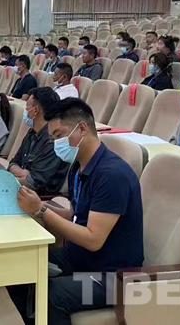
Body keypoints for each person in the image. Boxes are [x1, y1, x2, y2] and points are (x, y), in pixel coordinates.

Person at [8, 97, 144, 325]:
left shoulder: (112, 175)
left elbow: (93, 239)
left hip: (114, 278)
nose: (56, 144)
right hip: (80, 259)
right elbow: (76, 216)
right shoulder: (79, 167)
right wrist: (34, 207)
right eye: (53, 138)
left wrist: (40, 210)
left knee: (53, 294)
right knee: (17, 265)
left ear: (82, 128)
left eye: (59, 135)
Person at [8, 87, 70, 194]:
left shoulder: (53, 140)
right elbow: (13, 163)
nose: (25, 111)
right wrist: (24, 173)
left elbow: (34, 183)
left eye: (27, 107)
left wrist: (6, 182)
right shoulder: (32, 133)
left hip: (38, 197)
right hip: (21, 189)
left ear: (35, 111)